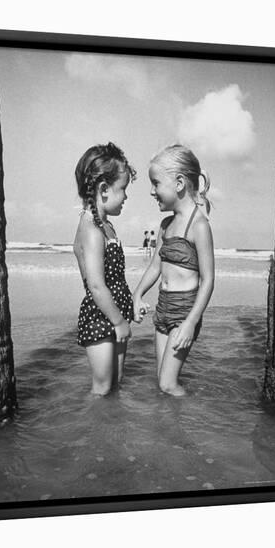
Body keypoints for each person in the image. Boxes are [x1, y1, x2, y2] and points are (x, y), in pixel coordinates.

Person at [133, 144, 214, 396]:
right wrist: (137, 295)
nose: (152, 191)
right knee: (161, 381)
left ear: (179, 183)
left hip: (184, 311)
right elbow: (155, 266)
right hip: (163, 308)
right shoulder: (166, 225)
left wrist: (191, 322)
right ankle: (169, 427)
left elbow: (208, 280)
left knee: (168, 384)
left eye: (156, 183)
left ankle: (192, 422)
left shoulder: (198, 225)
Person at [74, 142, 136, 395]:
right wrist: (119, 321)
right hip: (102, 316)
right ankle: (93, 430)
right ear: (103, 189)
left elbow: (115, 278)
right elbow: (97, 285)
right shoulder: (90, 229)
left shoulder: (106, 226)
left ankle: (113, 431)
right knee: (101, 387)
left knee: (116, 381)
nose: (126, 196)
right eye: (123, 189)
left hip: (116, 310)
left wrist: (129, 306)